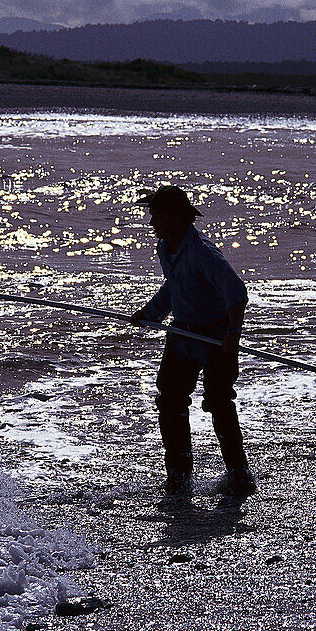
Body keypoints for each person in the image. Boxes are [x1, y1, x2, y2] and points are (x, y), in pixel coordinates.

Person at [129, 185, 253, 499]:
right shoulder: (165, 246)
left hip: (214, 336)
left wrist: (232, 337)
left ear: (177, 218)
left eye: (156, 215)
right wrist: (151, 313)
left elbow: (236, 294)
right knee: (170, 399)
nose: (151, 222)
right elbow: (174, 287)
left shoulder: (203, 252)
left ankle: (239, 473)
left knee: (218, 402)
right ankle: (180, 475)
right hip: (182, 333)